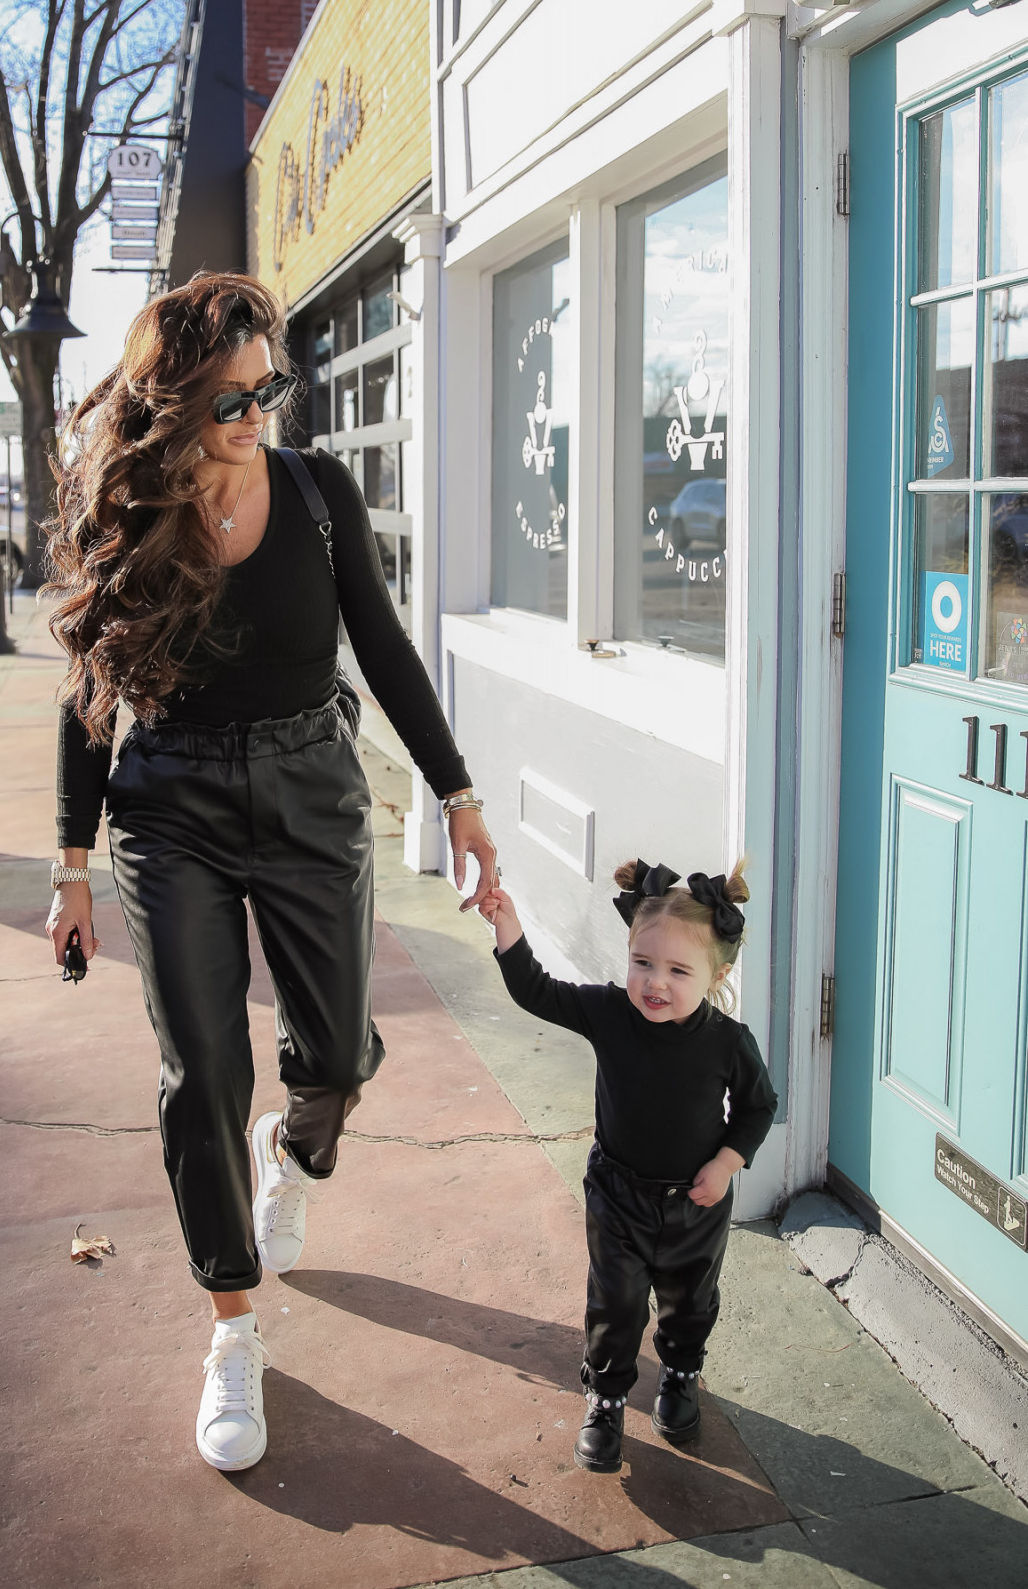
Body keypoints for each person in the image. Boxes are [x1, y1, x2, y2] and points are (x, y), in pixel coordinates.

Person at [45, 273, 497, 1474]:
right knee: (198, 1068)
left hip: (308, 783)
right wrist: (73, 861)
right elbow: (88, 692)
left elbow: (387, 652)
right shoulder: (128, 513)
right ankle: (232, 1326)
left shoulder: (317, 491)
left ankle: (291, 1149)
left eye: (269, 389)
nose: (255, 415)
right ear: (174, 395)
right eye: (230, 397)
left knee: (339, 1051)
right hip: (171, 801)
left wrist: (460, 800)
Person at [477, 857, 776, 1474]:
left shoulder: (728, 1042)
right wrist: (507, 925)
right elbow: (538, 990)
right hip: (618, 1195)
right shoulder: (610, 1013)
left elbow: (757, 1107)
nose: (654, 983)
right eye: (643, 963)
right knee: (614, 1302)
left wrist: (726, 1163)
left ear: (717, 975)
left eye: (676, 970)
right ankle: (607, 1398)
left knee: (689, 1301)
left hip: (696, 1203)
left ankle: (679, 1376)